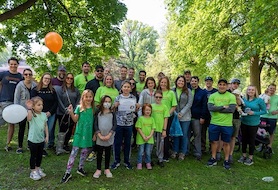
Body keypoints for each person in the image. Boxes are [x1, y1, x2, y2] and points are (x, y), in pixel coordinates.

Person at [61, 90, 95, 183]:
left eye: (90, 97)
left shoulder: (93, 109)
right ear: (83, 98)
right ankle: (68, 172)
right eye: (86, 97)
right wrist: (71, 112)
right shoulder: (79, 108)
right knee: (74, 153)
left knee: (84, 152)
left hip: (88, 134)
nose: (88, 98)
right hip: (79, 134)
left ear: (93, 98)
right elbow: (75, 119)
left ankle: (80, 168)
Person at [207, 79, 236, 170]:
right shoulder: (212, 95)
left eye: (224, 84)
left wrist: (217, 108)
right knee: (214, 141)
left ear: (227, 86)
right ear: (218, 85)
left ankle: (226, 160)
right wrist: (223, 107)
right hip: (214, 122)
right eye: (220, 84)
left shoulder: (231, 96)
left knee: (226, 143)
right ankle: (213, 158)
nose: (222, 86)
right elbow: (211, 108)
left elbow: (231, 109)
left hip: (227, 124)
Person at [111, 80, 139, 170]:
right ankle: (116, 161)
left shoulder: (133, 98)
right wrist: (114, 105)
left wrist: (137, 108)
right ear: (121, 88)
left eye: (128, 87)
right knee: (117, 143)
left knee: (128, 143)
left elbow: (134, 110)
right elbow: (113, 110)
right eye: (124, 87)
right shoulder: (118, 98)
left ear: (130, 88)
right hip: (119, 124)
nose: (126, 88)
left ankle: (127, 161)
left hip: (129, 124)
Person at [238, 85, 266, 165]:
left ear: (255, 91)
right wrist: (240, 111)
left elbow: (264, 111)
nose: (250, 91)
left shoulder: (259, 100)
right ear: (247, 91)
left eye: (252, 90)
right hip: (244, 122)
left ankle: (250, 157)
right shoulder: (244, 99)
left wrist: (254, 113)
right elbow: (241, 108)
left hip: (253, 123)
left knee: (251, 140)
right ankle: (243, 155)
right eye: (249, 90)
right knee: (244, 139)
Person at [31, 73, 58, 155]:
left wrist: (50, 112)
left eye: (49, 79)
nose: (47, 80)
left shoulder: (52, 90)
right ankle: (38, 148)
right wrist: (38, 112)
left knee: (48, 130)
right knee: (39, 131)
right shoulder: (35, 90)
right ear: (42, 79)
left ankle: (43, 148)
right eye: (45, 78)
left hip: (50, 114)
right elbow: (32, 102)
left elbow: (56, 102)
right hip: (39, 114)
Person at [0, 57, 23, 152]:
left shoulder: (20, 76)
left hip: (14, 103)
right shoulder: (3, 74)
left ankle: (8, 144)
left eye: (15, 64)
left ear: (18, 65)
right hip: (4, 101)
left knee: (11, 123)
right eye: (11, 64)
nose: (13, 66)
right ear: (9, 64)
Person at [56, 73, 80, 155]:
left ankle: (65, 144)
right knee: (62, 129)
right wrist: (65, 110)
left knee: (70, 129)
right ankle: (59, 147)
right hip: (62, 113)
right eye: (68, 78)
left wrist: (74, 110)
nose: (69, 80)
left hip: (72, 113)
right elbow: (59, 100)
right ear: (65, 79)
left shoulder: (76, 90)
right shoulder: (60, 89)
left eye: (71, 78)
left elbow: (78, 100)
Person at [14, 68, 37, 154]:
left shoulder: (34, 85)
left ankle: (29, 145)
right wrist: (16, 109)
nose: (28, 76)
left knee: (31, 128)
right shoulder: (20, 85)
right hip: (22, 110)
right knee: (21, 128)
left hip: (32, 110)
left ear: (32, 76)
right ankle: (20, 146)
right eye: (26, 74)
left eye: (30, 74)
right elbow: (16, 98)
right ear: (23, 75)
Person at [26, 96, 49, 181]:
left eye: (42, 104)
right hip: (32, 140)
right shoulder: (31, 114)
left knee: (39, 155)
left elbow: (45, 126)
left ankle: (38, 168)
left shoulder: (43, 115)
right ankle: (33, 171)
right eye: (38, 105)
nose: (41, 106)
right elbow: (28, 119)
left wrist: (47, 136)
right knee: (33, 156)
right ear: (33, 106)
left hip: (41, 139)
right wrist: (29, 109)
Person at [93, 95, 116, 178]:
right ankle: (98, 169)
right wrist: (98, 134)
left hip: (109, 137)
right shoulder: (98, 113)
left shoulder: (112, 113)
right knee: (99, 153)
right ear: (102, 102)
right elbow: (95, 124)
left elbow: (114, 125)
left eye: (109, 102)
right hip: (100, 136)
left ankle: (107, 168)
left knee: (107, 153)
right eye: (105, 101)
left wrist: (110, 134)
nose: (107, 103)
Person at [172, 76, 193, 160]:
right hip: (175, 115)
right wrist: (175, 113)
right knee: (176, 134)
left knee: (184, 135)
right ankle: (175, 151)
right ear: (176, 81)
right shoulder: (172, 91)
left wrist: (182, 113)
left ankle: (182, 152)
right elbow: (170, 103)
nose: (180, 82)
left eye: (182, 81)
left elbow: (189, 103)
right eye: (179, 81)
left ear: (185, 83)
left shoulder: (188, 91)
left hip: (185, 117)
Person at [157, 76, 177, 162]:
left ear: (167, 83)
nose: (163, 84)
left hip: (167, 118)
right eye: (162, 82)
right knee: (157, 135)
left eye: (165, 82)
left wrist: (167, 114)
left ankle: (165, 154)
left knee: (165, 135)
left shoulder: (171, 93)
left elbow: (174, 106)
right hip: (157, 117)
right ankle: (158, 152)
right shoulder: (157, 92)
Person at [189, 76, 207, 160]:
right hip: (187, 117)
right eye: (192, 81)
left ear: (198, 82)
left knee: (197, 135)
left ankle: (198, 152)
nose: (193, 82)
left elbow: (204, 105)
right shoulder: (187, 90)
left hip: (197, 117)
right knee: (187, 135)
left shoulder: (202, 92)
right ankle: (186, 151)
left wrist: (202, 117)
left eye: (195, 81)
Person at [151, 90, 169, 167]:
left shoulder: (164, 107)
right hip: (151, 129)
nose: (158, 98)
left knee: (160, 145)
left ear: (162, 98)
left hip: (160, 128)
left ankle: (160, 159)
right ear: (154, 97)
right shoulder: (151, 106)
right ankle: (148, 159)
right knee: (150, 144)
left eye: (160, 97)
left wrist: (164, 130)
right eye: (157, 97)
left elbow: (166, 118)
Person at [136, 103, 156, 170]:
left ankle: (148, 162)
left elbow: (153, 128)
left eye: (149, 110)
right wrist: (144, 136)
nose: (148, 111)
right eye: (146, 110)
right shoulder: (141, 119)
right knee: (141, 151)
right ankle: (139, 163)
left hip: (149, 139)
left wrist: (149, 136)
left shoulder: (152, 119)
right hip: (141, 138)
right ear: (143, 111)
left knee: (148, 152)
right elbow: (138, 128)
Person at [227, 78, 242, 163]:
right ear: (231, 84)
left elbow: (240, 104)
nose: (235, 85)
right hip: (227, 117)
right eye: (234, 83)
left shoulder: (239, 94)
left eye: (237, 84)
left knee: (233, 137)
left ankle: (230, 154)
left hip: (236, 118)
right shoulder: (227, 92)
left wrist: (237, 97)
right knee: (225, 136)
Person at [260, 83, 278, 153]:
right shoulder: (263, 96)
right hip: (263, 116)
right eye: (271, 88)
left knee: (271, 132)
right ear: (268, 88)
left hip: (272, 118)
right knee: (262, 131)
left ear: (275, 90)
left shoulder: (277, 97)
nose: (272, 90)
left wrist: (276, 111)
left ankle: (269, 146)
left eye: (273, 89)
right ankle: (262, 145)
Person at [202, 76, 218, 153]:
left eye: (210, 81)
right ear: (205, 82)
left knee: (212, 132)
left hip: (214, 115)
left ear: (212, 82)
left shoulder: (216, 91)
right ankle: (203, 147)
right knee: (203, 132)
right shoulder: (203, 91)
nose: (208, 82)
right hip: (205, 114)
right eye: (207, 81)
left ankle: (212, 148)